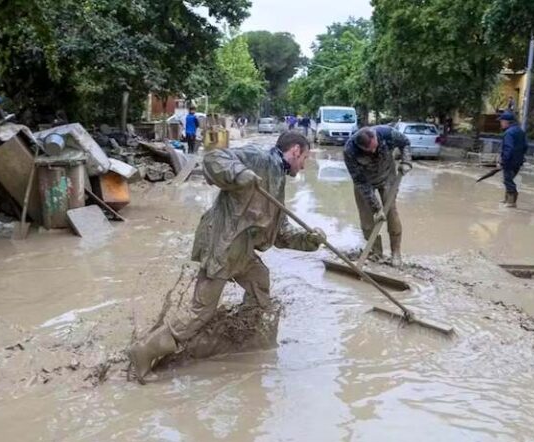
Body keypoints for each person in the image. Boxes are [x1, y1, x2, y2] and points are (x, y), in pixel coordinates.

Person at [128, 131, 327, 383]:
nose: (305, 164)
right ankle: (144, 351)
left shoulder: (277, 177)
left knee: (260, 281)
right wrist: (240, 174)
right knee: (201, 311)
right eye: (306, 157)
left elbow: (280, 233)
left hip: (240, 250)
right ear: (296, 150)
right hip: (221, 245)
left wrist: (310, 241)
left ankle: (240, 337)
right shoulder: (259, 158)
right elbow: (213, 158)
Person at [344, 126, 412, 267]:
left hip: (387, 176)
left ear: (375, 136)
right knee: (367, 220)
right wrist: (376, 208)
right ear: (360, 147)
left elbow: (405, 142)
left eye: (375, 147)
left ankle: (396, 253)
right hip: (364, 181)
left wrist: (406, 161)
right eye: (369, 151)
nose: (374, 151)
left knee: (391, 212)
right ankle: (376, 252)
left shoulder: (387, 133)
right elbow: (360, 182)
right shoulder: (350, 151)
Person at [498, 111, 528, 208]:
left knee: (507, 180)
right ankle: (507, 199)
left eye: (502, 121)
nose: (501, 123)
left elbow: (508, 148)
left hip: (509, 161)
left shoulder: (508, 133)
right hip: (518, 161)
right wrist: (520, 156)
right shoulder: (520, 131)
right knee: (509, 179)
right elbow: (526, 146)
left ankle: (511, 202)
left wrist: (503, 160)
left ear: (507, 122)